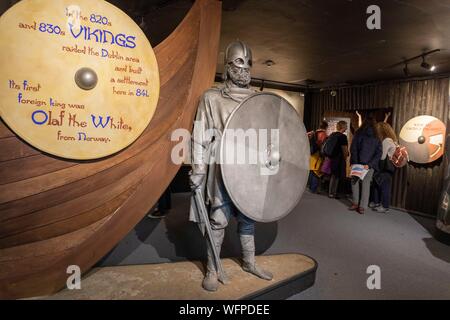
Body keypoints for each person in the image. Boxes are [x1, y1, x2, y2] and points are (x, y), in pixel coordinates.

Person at [189, 40, 273, 292]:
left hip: (250, 169)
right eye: (238, 65)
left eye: (247, 66)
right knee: (218, 218)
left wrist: (269, 159)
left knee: (248, 218)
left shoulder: (258, 100)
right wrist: (198, 169)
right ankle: (213, 269)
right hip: (222, 168)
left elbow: (267, 136)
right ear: (226, 67)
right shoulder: (212, 98)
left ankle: (249, 262)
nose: (244, 71)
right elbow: (200, 135)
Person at [349, 117, 382, 214]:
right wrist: (370, 164)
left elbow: (353, 149)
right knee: (366, 184)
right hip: (369, 166)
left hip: (358, 163)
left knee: (354, 182)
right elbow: (379, 153)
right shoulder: (377, 137)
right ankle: (362, 207)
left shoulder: (358, 134)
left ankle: (355, 203)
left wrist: (354, 162)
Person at [370, 122, 397, 213]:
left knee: (385, 187)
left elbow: (382, 157)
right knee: (378, 184)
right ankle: (377, 202)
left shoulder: (386, 141)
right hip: (387, 168)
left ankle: (385, 206)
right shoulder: (391, 140)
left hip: (384, 168)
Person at [328, 121, 349, 198]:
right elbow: (344, 150)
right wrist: (345, 158)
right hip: (339, 159)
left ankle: (331, 192)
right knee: (338, 176)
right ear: (343, 126)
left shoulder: (333, 135)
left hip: (332, 158)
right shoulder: (343, 137)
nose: (347, 127)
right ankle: (334, 192)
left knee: (333, 175)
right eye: (346, 125)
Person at [308, 120, 328, 193]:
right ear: (326, 127)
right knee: (316, 172)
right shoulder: (323, 134)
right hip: (318, 154)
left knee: (311, 170)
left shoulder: (314, 132)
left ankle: (310, 187)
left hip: (312, 153)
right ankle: (314, 189)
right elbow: (322, 144)